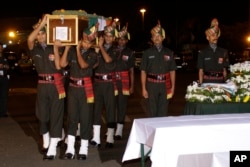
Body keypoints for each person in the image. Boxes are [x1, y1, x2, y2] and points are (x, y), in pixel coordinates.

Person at [27, 14, 66, 160]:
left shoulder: (56, 45)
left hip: (56, 85)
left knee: (56, 116)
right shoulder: (35, 49)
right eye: (39, 33)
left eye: (42, 33)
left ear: (47, 33)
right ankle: (46, 141)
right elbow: (29, 39)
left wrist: (56, 49)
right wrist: (41, 23)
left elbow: (60, 65)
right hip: (42, 85)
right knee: (42, 115)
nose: (40, 36)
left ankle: (52, 148)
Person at [59, 23, 98, 160]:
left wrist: (77, 50)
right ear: (81, 39)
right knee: (72, 118)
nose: (87, 45)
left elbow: (83, 66)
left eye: (90, 42)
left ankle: (83, 148)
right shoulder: (71, 51)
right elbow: (62, 64)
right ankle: (70, 149)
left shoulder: (93, 54)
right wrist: (67, 48)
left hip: (86, 89)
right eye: (85, 42)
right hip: (73, 89)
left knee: (86, 118)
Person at [140, 21, 177, 117]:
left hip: (165, 85)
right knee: (152, 111)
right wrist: (144, 88)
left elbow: (172, 70)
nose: (157, 38)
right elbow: (143, 71)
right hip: (151, 85)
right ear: (152, 39)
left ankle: (160, 131)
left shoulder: (169, 52)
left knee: (163, 111)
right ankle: (152, 132)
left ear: (163, 37)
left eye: (159, 35)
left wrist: (173, 87)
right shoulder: (147, 53)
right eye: (154, 36)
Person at [90, 21, 118, 148]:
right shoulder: (97, 47)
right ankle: (96, 137)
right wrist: (96, 52)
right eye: (106, 36)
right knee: (96, 109)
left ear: (114, 38)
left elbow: (108, 60)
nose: (108, 38)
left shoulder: (115, 50)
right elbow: (93, 65)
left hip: (109, 83)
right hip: (97, 82)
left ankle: (110, 137)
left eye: (110, 36)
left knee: (110, 109)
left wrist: (100, 48)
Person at [114, 24, 135, 140]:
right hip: (112, 81)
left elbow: (132, 70)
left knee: (121, 105)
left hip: (124, 81)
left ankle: (119, 129)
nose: (121, 41)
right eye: (120, 39)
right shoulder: (112, 49)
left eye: (124, 40)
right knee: (111, 105)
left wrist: (132, 86)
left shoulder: (130, 52)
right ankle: (111, 128)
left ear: (127, 41)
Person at [197, 18, 230, 84]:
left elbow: (224, 71)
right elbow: (201, 71)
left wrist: (226, 84)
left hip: (220, 83)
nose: (215, 37)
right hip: (207, 83)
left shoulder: (224, 52)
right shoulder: (202, 52)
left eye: (216, 35)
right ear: (207, 37)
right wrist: (200, 85)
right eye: (212, 35)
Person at [0, 43, 10, 118]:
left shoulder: (4, 57)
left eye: (1, 47)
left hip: (4, 78)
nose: (0, 49)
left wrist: (4, 66)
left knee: (4, 95)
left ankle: (3, 111)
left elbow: (7, 66)